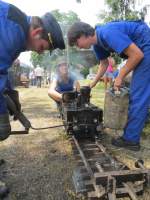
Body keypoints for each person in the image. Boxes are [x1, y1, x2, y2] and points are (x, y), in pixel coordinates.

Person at [67, 20, 150, 151]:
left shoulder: (107, 33)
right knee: (141, 92)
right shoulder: (97, 44)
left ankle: (131, 139)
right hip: (140, 49)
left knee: (138, 95)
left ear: (83, 35)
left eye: (77, 43)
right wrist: (92, 83)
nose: (78, 47)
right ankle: (141, 123)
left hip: (145, 44)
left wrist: (120, 76)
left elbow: (137, 55)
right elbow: (104, 64)